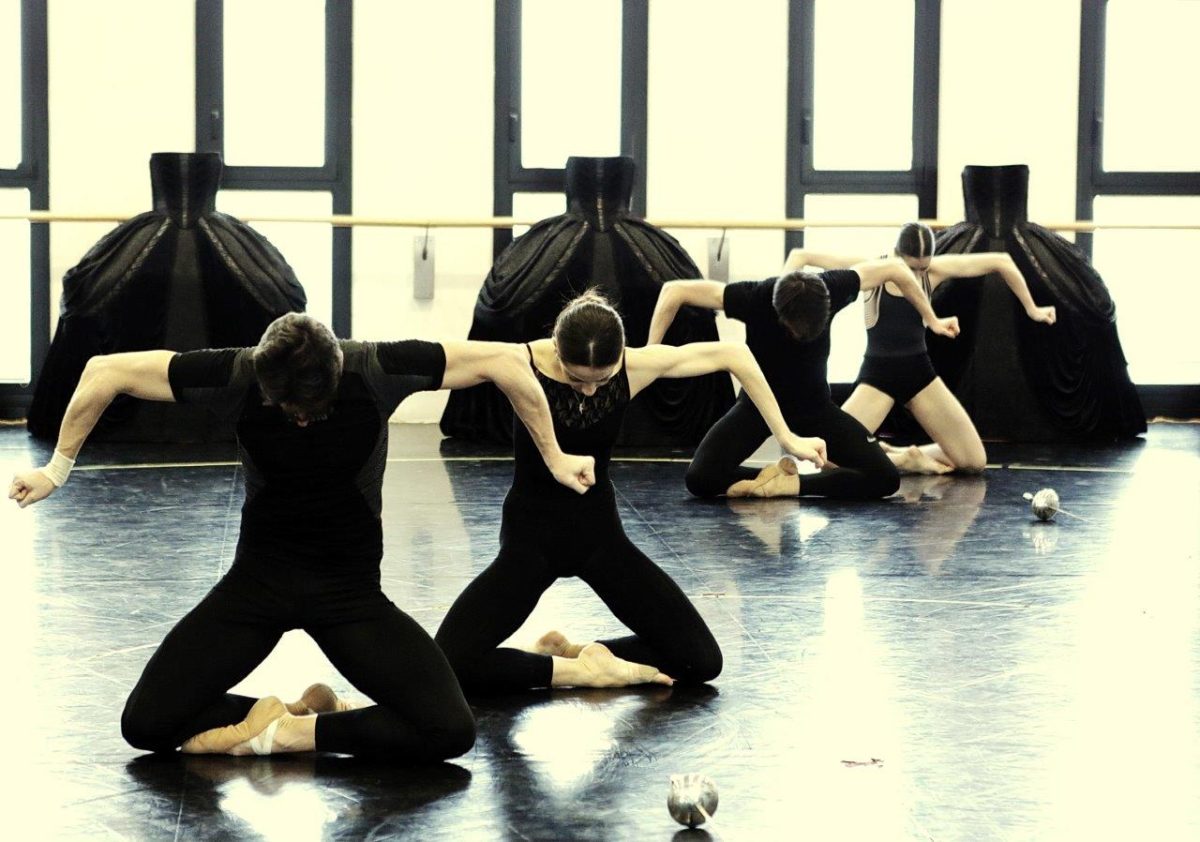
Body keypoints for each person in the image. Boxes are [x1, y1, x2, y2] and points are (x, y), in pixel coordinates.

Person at [8, 313, 596, 759]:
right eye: (285, 405)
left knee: (450, 730)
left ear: (335, 375)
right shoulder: (237, 372)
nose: (301, 417)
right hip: (256, 587)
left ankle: (296, 729)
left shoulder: (374, 368)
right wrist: (55, 468)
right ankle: (279, 712)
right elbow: (104, 371)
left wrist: (554, 456)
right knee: (146, 724)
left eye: (312, 406)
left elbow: (503, 362)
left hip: (349, 597)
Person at [434, 292, 827, 693]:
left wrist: (786, 436)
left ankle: (582, 655)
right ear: (556, 347)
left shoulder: (633, 366)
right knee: (447, 664)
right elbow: (434, 360)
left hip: (599, 537)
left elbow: (734, 354)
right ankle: (574, 672)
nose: (589, 391)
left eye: (602, 380)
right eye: (576, 378)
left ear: (620, 356)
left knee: (701, 661)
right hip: (529, 541)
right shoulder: (520, 361)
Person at [648, 255, 959, 498]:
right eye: (793, 331)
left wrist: (931, 319)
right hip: (757, 410)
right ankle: (767, 478)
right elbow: (674, 291)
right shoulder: (755, 297)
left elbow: (894, 268)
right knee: (700, 478)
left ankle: (789, 485)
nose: (799, 337)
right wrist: (650, 354)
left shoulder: (833, 287)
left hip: (816, 411)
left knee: (885, 479)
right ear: (780, 313)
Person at [791, 222, 1056, 474]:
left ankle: (909, 455)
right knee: (828, 458)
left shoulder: (933, 271)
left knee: (973, 462)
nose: (916, 277)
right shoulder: (872, 267)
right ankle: (899, 460)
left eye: (922, 269)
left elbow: (1002, 261)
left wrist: (1032, 309)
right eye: (910, 269)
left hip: (919, 374)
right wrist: (777, 304)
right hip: (878, 377)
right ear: (896, 255)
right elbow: (800, 256)